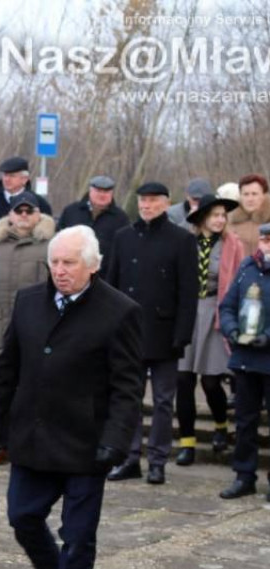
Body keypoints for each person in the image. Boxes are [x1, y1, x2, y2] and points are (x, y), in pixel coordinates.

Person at [0, 225, 143, 569]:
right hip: (34, 434)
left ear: (92, 265)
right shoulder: (30, 301)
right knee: (22, 516)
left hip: (86, 442)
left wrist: (116, 438)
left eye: (69, 262)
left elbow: (127, 385)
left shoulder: (118, 311)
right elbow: (7, 368)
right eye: (54, 262)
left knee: (78, 534)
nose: (60, 270)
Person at [105, 182, 198, 485]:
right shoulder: (123, 238)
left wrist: (182, 333)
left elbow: (188, 292)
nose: (146, 206)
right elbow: (110, 286)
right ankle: (129, 458)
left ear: (165, 202)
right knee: (128, 397)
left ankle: (157, 460)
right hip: (128, 332)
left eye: (153, 201)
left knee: (162, 401)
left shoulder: (181, 240)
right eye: (142, 200)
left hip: (164, 331)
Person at [0, 191, 55, 467]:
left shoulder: (51, 246)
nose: (24, 216)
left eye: (30, 211)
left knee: (33, 391)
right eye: (19, 211)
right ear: (10, 214)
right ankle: (0, 444)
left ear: (39, 214)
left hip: (37, 332)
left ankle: (31, 445)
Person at [174, 194, 244, 465]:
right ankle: (187, 443)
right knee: (183, 379)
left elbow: (238, 279)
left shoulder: (232, 244)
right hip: (188, 312)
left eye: (222, 215)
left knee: (211, 380)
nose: (219, 219)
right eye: (214, 215)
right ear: (202, 218)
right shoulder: (186, 243)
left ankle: (220, 426)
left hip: (217, 310)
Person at [219, 223, 270, 499]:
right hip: (245, 359)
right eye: (264, 239)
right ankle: (244, 475)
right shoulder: (247, 269)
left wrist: (267, 336)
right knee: (244, 421)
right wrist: (232, 330)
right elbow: (227, 306)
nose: (266, 244)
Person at [56, 175, 130, 277]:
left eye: (106, 192)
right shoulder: (71, 211)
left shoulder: (120, 218)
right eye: (98, 191)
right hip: (72, 273)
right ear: (90, 191)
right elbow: (59, 239)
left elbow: (124, 249)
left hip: (105, 276)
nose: (102, 195)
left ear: (112, 194)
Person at [0, 156, 53, 250]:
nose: (7, 179)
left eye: (12, 176)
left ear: (24, 179)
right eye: (5, 175)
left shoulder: (40, 204)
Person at [228, 174, 270, 256]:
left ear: (264, 196)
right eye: (246, 194)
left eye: (254, 194)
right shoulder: (230, 223)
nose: (250, 199)